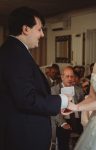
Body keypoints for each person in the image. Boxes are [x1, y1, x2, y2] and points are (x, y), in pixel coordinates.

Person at [0, 7, 72, 150]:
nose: (42, 34)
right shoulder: (15, 55)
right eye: (39, 29)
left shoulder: (13, 50)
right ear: (26, 29)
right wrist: (61, 100)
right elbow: (26, 99)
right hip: (23, 138)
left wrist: (56, 105)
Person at [51, 66, 84, 150]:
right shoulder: (54, 90)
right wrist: (63, 123)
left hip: (78, 120)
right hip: (62, 120)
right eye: (67, 76)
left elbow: (83, 106)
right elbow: (53, 110)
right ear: (62, 77)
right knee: (63, 134)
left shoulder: (78, 90)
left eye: (72, 76)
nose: (70, 79)